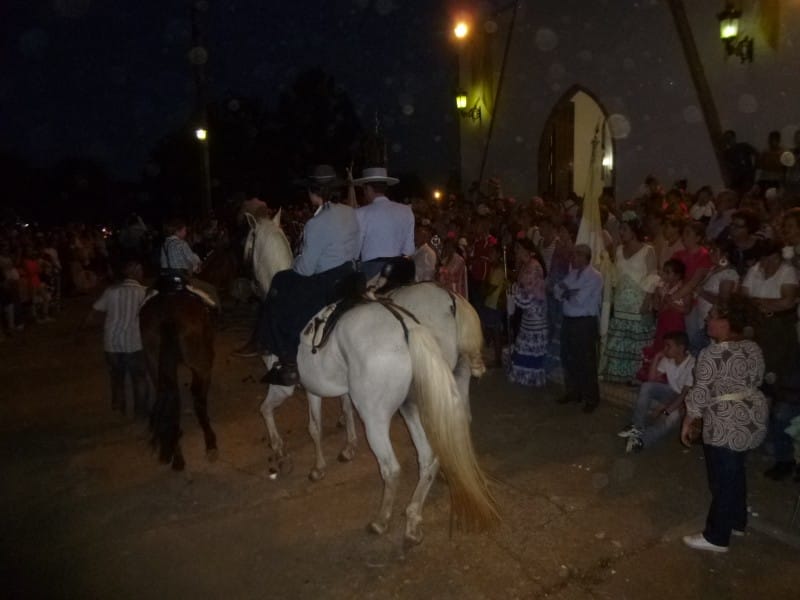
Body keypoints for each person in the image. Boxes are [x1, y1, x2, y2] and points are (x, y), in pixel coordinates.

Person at [681, 295, 768, 553]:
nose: (708, 319)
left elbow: (700, 392)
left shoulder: (712, 352)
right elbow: (758, 377)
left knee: (721, 480)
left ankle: (717, 537)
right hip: (753, 417)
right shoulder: (753, 347)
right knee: (735, 472)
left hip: (726, 422)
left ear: (727, 323)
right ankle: (737, 521)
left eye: (713, 315)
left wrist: (689, 419)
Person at [263, 165, 360, 385]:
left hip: (326, 281)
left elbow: (305, 269)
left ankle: (288, 362)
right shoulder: (349, 211)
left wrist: (294, 261)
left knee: (280, 284)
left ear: (313, 192)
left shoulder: (315, 223)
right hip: (350, 273)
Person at [739, 240, 800, 481]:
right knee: (756, 387)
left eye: (765, 258)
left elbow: (788, 302)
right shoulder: (756, 271)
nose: (762, 263)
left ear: (775, 256)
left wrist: (762, 305)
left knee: (781, 396)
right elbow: (743, 299)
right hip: (759, 331)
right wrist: (766, 307)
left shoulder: (787, 271)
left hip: (781, 337)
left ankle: (783, 455)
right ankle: (760, 441)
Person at [80, 260, 150, 416]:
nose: (143, 273)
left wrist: (83, 329)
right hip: (134, 342)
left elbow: (94, 312)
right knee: (139, 377)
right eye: (141, 270)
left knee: (117, 377)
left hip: (112, 342)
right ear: (135, 273)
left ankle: (119, 407)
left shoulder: (111, 291)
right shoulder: (144, 293)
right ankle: (141, 410)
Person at [601, 213, 659, 384]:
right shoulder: (618, 250)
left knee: (636, 341)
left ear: (634, 230)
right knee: (620, 338)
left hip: (638, 303)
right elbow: (615, 277)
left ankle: (635, 377)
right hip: (620, 302)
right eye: (620, 229)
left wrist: (647, 301)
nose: (621, 232)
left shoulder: (648, 250)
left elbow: (653, 277)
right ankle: (618, 375)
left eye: (624, 229)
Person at [619, 330, 695, 452]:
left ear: (680, 348)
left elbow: (684, 394)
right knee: (647, 386)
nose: (665, 349)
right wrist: (657, 357)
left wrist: (666, 411)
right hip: (671, 393)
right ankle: (637, 426)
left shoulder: (692, 364)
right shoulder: (668, 359)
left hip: (685, 400)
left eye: (668, 346)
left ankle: (643, 440)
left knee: (669, 419)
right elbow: (651, 380)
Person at [554, 244, 603, 412]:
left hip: (585, 322)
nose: (572, 258)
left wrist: (566, 291)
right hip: (569, 320)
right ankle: (573, 392)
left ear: (584, 257)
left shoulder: (595, 276)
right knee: (568, 357)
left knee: (586, 361)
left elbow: (579, 299)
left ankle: (591, 397)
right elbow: (556, 291)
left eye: (576, 255)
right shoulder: (573, 274)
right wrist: (568, 291)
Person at [350, 167, 414, 281]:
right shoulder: (406, 210)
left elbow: (355, 250)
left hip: (372, 270)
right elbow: (409, 250)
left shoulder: (360, 213)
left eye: (364, 190)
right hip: (398, 269)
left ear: (369, 189)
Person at [504, 238, 548, 387]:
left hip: (535, 309)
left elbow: (528, 290)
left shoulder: (534, 266)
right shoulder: (525, 266)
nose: (517, 252)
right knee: (524, 341)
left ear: (527, 250)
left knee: (531, 341)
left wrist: (515, 291)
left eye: (519, 249)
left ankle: (532, 376)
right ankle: (524, 374)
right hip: (528, 310)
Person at [160, 218, 220, 308]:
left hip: (167, 279)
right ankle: (217, 311)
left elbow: (163, 264)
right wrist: (197, 266)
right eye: (184, 230)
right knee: (211, 289)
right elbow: (192, 259)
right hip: (182, 278)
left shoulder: (164, 245)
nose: (186, 232)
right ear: (177, 231)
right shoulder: (182, 244)